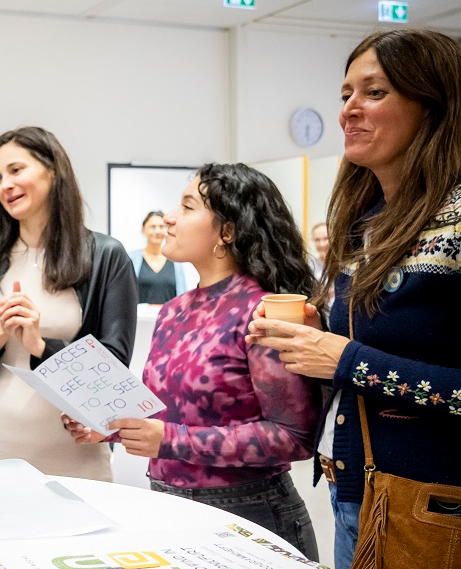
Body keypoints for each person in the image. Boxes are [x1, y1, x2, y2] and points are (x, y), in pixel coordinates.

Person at [248, 29, 461, 569]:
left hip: (431, 506)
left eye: (374, 92)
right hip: (356, 491)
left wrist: (344, 358)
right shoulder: (365, 225)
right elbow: (368, 354)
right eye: (345, 94)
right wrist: (317, 338)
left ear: (434, 105)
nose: (349, 111)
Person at [70, 163, 322, 558]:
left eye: (187, 207)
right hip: (168, 507)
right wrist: (111, 427)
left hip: (247, 515)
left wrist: (170, 440)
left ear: (227, 231)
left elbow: (293, 436)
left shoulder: (263, 312)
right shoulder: (174, 311)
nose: (169, 217)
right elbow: (173, 415)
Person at [0, 126, 138, 482]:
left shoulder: (105, 257)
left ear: (52, 170)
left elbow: (112, 372)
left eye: (16, 170)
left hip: (73, 450)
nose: (5, 184)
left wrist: (39, 345)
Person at [127, 210, 189, 303]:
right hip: (140, 317)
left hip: (169, 317)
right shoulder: (131, 259)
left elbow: (183, 296)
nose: (157, 231)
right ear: (143, 230)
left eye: (161, 227)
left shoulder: (176, 261)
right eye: (152, 227)